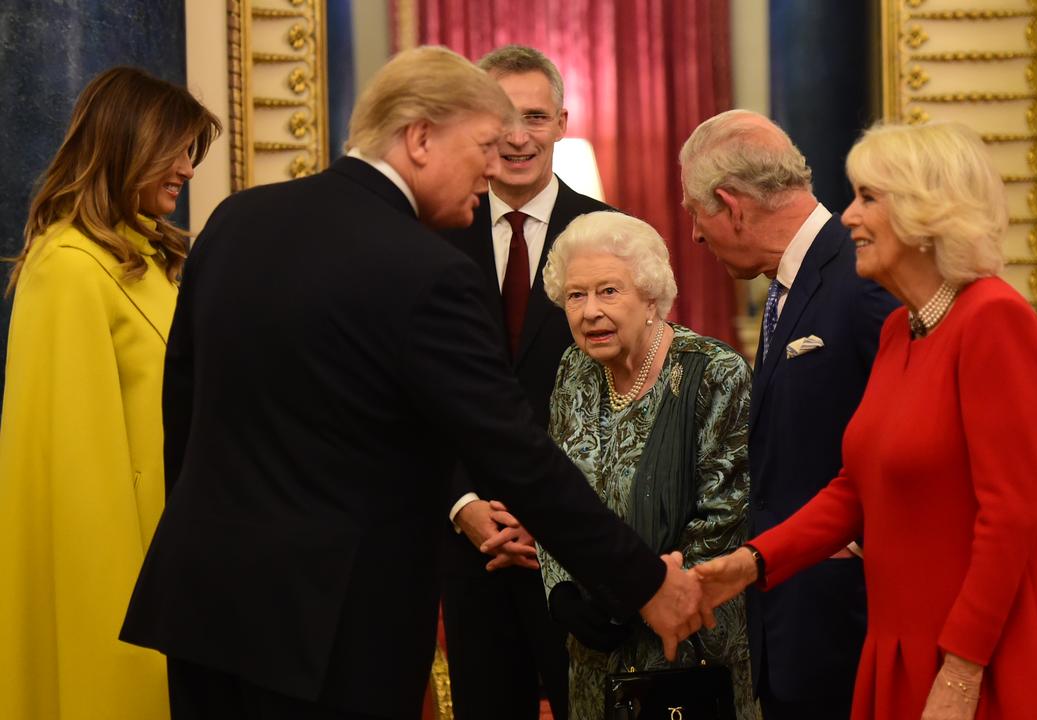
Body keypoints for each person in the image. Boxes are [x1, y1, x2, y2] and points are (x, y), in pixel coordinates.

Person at [118, 46, 707, 720]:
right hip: (333, 626)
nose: (493, 167)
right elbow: (515, 454)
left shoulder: (232, 222)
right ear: (420, 138)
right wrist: (644, 583)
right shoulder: (425, 269)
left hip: (200, 601)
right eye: (483, 145)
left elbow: (184, 412)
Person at [695, 122, 1037, 720]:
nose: (848, 218)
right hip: (901, 641)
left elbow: (1011, 516)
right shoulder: (899, 329)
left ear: (926, 212)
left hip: (982, 648)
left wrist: (963, 670)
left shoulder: (995, 321)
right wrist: (753, 561)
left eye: (868, 198)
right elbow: (855, 489)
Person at [0, 66, 220, 720]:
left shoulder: (147, 257)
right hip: (118, 584)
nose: (186, 167)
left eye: (191, 151)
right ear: (128, 144)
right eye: (176, 149)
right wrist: (119, 633)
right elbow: (78, 479)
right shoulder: (67, 265)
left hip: (175, 564)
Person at [678, 109, 898, 719]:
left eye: (696, 212)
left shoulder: (861, 277)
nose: (695, 235)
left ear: (731, 205)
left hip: (849, 625)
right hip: (792, 623)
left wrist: (859, 543)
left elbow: (912, 436)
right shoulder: (789, 285)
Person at [437, 44, 612, 720]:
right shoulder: (430, 233)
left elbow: (631, 393)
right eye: (501, 116)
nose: (516, 136)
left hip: (575, 543)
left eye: (534, 117)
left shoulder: (611, 232)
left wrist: (549, 518)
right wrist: (463, 504)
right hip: (467, 538)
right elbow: (411, 392)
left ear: (562, 122)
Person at [532, 210, 757, 720]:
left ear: (651, 296)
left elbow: (724, 518)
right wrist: (563, 593)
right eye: (575, 295)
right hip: (594, 651)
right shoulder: (574, 369)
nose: (589, 312)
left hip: (688, 644)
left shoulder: (714, 373)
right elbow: (554, 493)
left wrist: (631, 594)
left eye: (608, 291)